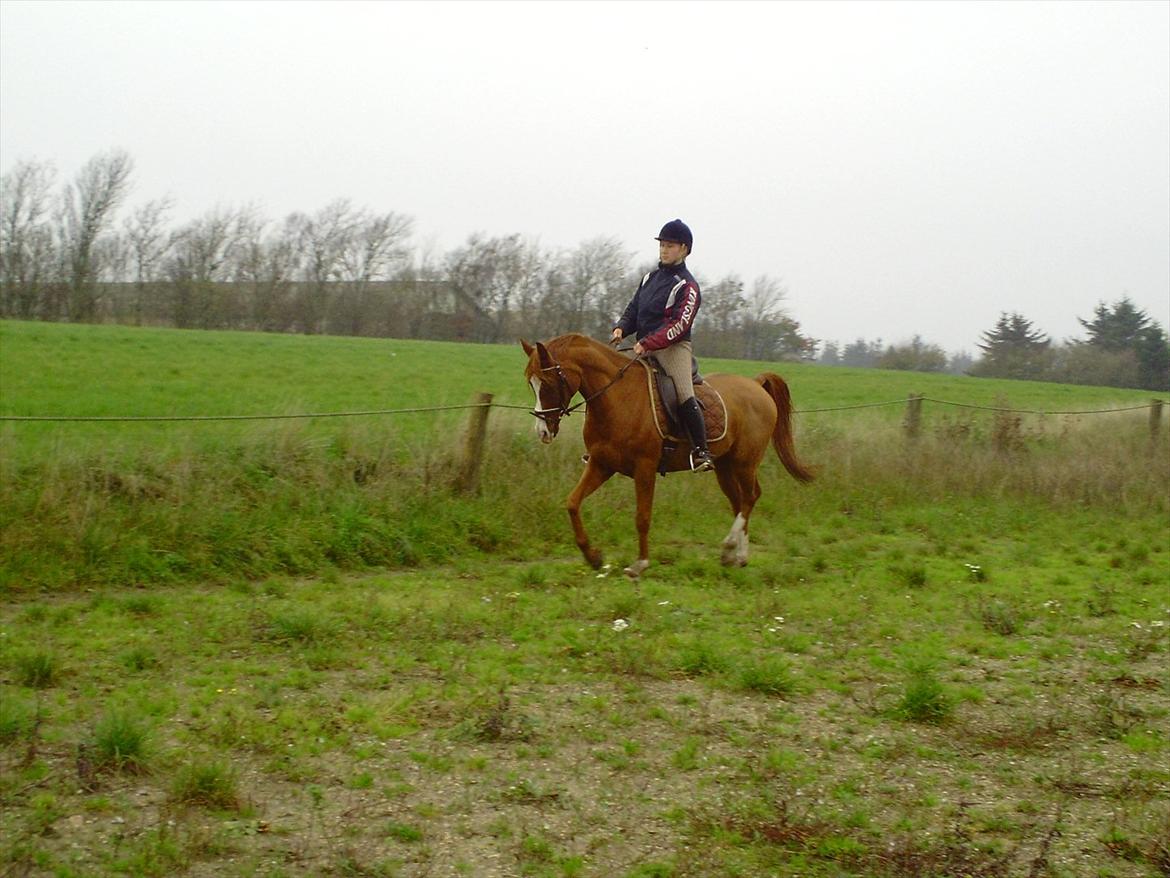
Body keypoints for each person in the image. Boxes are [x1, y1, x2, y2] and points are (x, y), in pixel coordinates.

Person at [611, 218, 713, 472]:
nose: (664, 249)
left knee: (683, 393)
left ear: (684, 249)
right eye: (662, 245)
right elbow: (634, 309)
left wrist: (648, 343)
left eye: (670, 245)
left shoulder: (688, 286)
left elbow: (679, 324)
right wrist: (622, 327)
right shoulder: (649, 278)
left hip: (673, 349)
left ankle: (702, 451)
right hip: (642, 345)